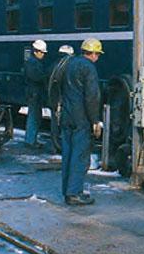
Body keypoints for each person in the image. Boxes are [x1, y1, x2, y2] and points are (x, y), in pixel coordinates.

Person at [57, 38, 104, 205]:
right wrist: (95, 120)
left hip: (67, 116)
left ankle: (67, 190)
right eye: (97, 54)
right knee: (80, 156)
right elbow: (92, 96)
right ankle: (74, 192)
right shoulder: (89, 68)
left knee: (68, 155)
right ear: (92, 53)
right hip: (81, 118)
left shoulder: (68, 64)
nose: (97, 57)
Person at [46, 45, 77, 153]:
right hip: (61, 100)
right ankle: (61, 146)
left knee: (55, 123)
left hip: (54, 98)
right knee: (63, 124)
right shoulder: (67, 67)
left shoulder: (54, 66)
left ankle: (56, 145)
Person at [23, 39, 48, 147]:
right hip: (34, 93)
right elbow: (35, 77)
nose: (43, 55)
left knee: (35, 116)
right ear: (36, 51)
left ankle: (32, 139)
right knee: (34, 117)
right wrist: (46, 77)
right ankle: (30, 140)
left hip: (34, 92)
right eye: (42, 52)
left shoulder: (33, 62)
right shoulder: (32, 63)